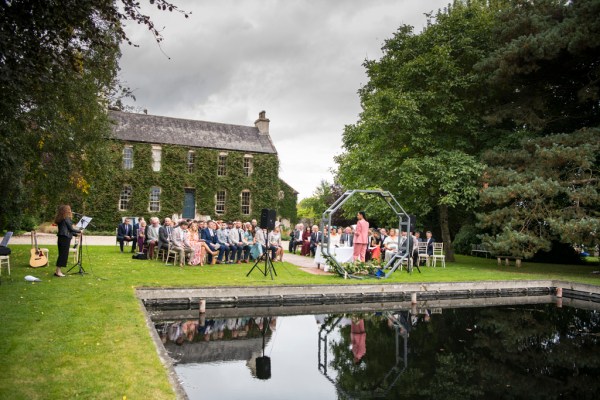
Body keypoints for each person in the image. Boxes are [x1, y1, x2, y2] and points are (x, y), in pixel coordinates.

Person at [54, 204, 81, 277]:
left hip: (61, 238)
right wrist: (80, 231)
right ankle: (58, 272)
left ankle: (57, 271)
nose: (70, 211)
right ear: (66, 211)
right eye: (69, 209)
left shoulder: (61, 218)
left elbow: (67, 230)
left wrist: (75, 234)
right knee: (63, 255)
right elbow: (71, 229)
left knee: (61, 254)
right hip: (65, 238)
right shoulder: (66, 219)